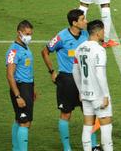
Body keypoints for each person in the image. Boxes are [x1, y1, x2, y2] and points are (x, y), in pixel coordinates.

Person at [41, 9, 101, 151]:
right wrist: (52, 71)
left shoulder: (86, 35)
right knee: (66, 113)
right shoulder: (61, 37)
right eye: (82, 19)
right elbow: (45, 52)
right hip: (67, 80)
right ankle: (67, 148)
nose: (86, 21)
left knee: (89, 111)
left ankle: (93, 145)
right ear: (74, 23)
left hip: (84, 79)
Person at [73, 20, 113, 151]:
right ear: (98, 32)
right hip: (98, 95)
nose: (104, 33)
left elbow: (75, 71)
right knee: (106, 125)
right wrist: (106, 95)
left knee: (87, 125)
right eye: (103, 30)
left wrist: (80, 90)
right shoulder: (99, 50)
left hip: (85, 94)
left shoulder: (79, 48)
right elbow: (100, 73)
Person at [6, 20, 35, 151]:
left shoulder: (25, 46)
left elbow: (27, 69)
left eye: (30, 34)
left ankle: (15, 149)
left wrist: (32, 89)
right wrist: (18, 96)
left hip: (27, 87)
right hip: (20, 88)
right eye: (27, 34)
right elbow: (10, 75)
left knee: (20, 120)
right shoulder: (13, 51)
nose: (29, 37)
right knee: (25, 122)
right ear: (19, 32)